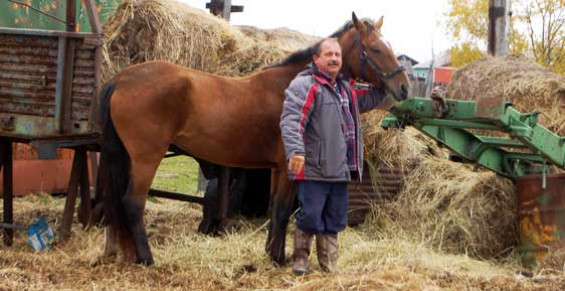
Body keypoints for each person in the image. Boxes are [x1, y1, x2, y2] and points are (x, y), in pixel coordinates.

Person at [280, 37, 387, 275]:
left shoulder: (344, 88)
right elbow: (292, 120)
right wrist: (296, 150)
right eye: (328, 54)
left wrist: (386, 84)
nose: (334, 59)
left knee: (335, 218)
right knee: (310, 215)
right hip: (314, 168)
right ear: (316, 59)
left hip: (340, 168)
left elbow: (367, 100)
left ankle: (329, 264)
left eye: (337, 55)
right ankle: (301, 261)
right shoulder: (306, 85)